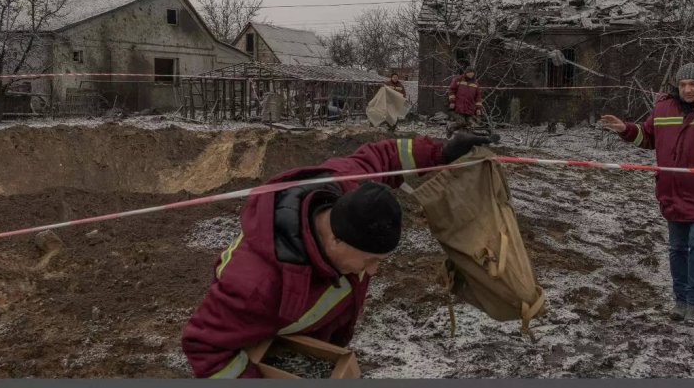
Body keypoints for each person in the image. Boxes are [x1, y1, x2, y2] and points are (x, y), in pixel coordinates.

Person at [181, 132, 493, 378]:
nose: (372, 272)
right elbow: (203, 345)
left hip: (309, 340)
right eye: (369, 260)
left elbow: (384, 157)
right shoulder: (257, 286)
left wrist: (440, 152)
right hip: (256, 343)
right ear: (335, 240)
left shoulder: (348, 185)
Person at [599, 63, 694, 328]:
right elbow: (648, 137)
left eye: (693, 84)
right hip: (673, 193)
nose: (688, 89)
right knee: (677, 249)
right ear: (676, 87)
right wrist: (625, 129)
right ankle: (680, 301)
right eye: (682, 85)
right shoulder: (664, 107)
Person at [446, 66, 484, 138]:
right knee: (461, 122)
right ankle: (450, 127)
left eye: (472, 73)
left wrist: (478, 108)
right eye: (469, 73)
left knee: (471, 123)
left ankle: (465, 138)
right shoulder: (458, 80)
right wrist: (452, 102)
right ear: (466, 73)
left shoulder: (476, 84)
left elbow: (478, 97)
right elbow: (451, 90)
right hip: (458, 107)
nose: (470, 74)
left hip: (470, 108)